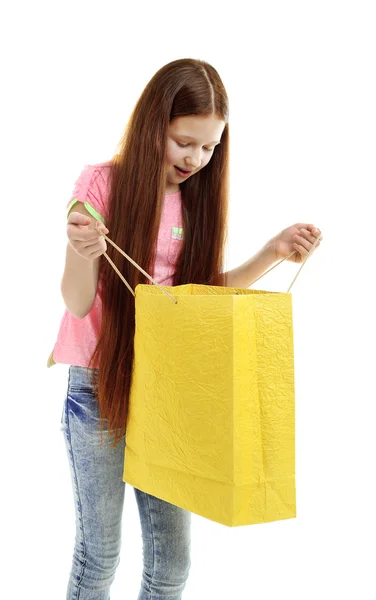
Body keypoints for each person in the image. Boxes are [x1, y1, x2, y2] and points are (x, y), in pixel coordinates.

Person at [48, 58, 322, 600]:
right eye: (184, 142)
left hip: (172, 392)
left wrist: (272, 252)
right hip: (98, 388)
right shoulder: (101, 183)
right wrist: (82, 251)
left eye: (209, 147)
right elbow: (77, 303)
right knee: (99, 555)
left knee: (172, 565)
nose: (196, 159)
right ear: (155, 125)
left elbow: (196, 299)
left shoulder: (197, 197)